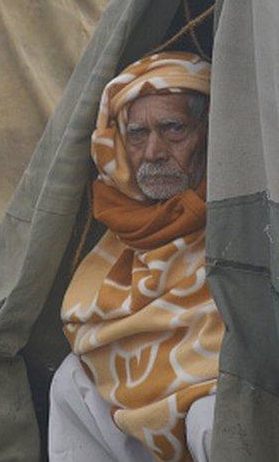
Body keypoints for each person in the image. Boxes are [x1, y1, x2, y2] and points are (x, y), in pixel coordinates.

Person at [48, 52, 223, 462]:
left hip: (213, 392)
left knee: (214, 418)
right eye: (137, 134)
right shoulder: (128, 220)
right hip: (145, 406)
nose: (153, 152)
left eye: (173, 129)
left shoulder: (238, 212)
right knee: (71, 381)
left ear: (209, 131)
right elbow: (92, 321)